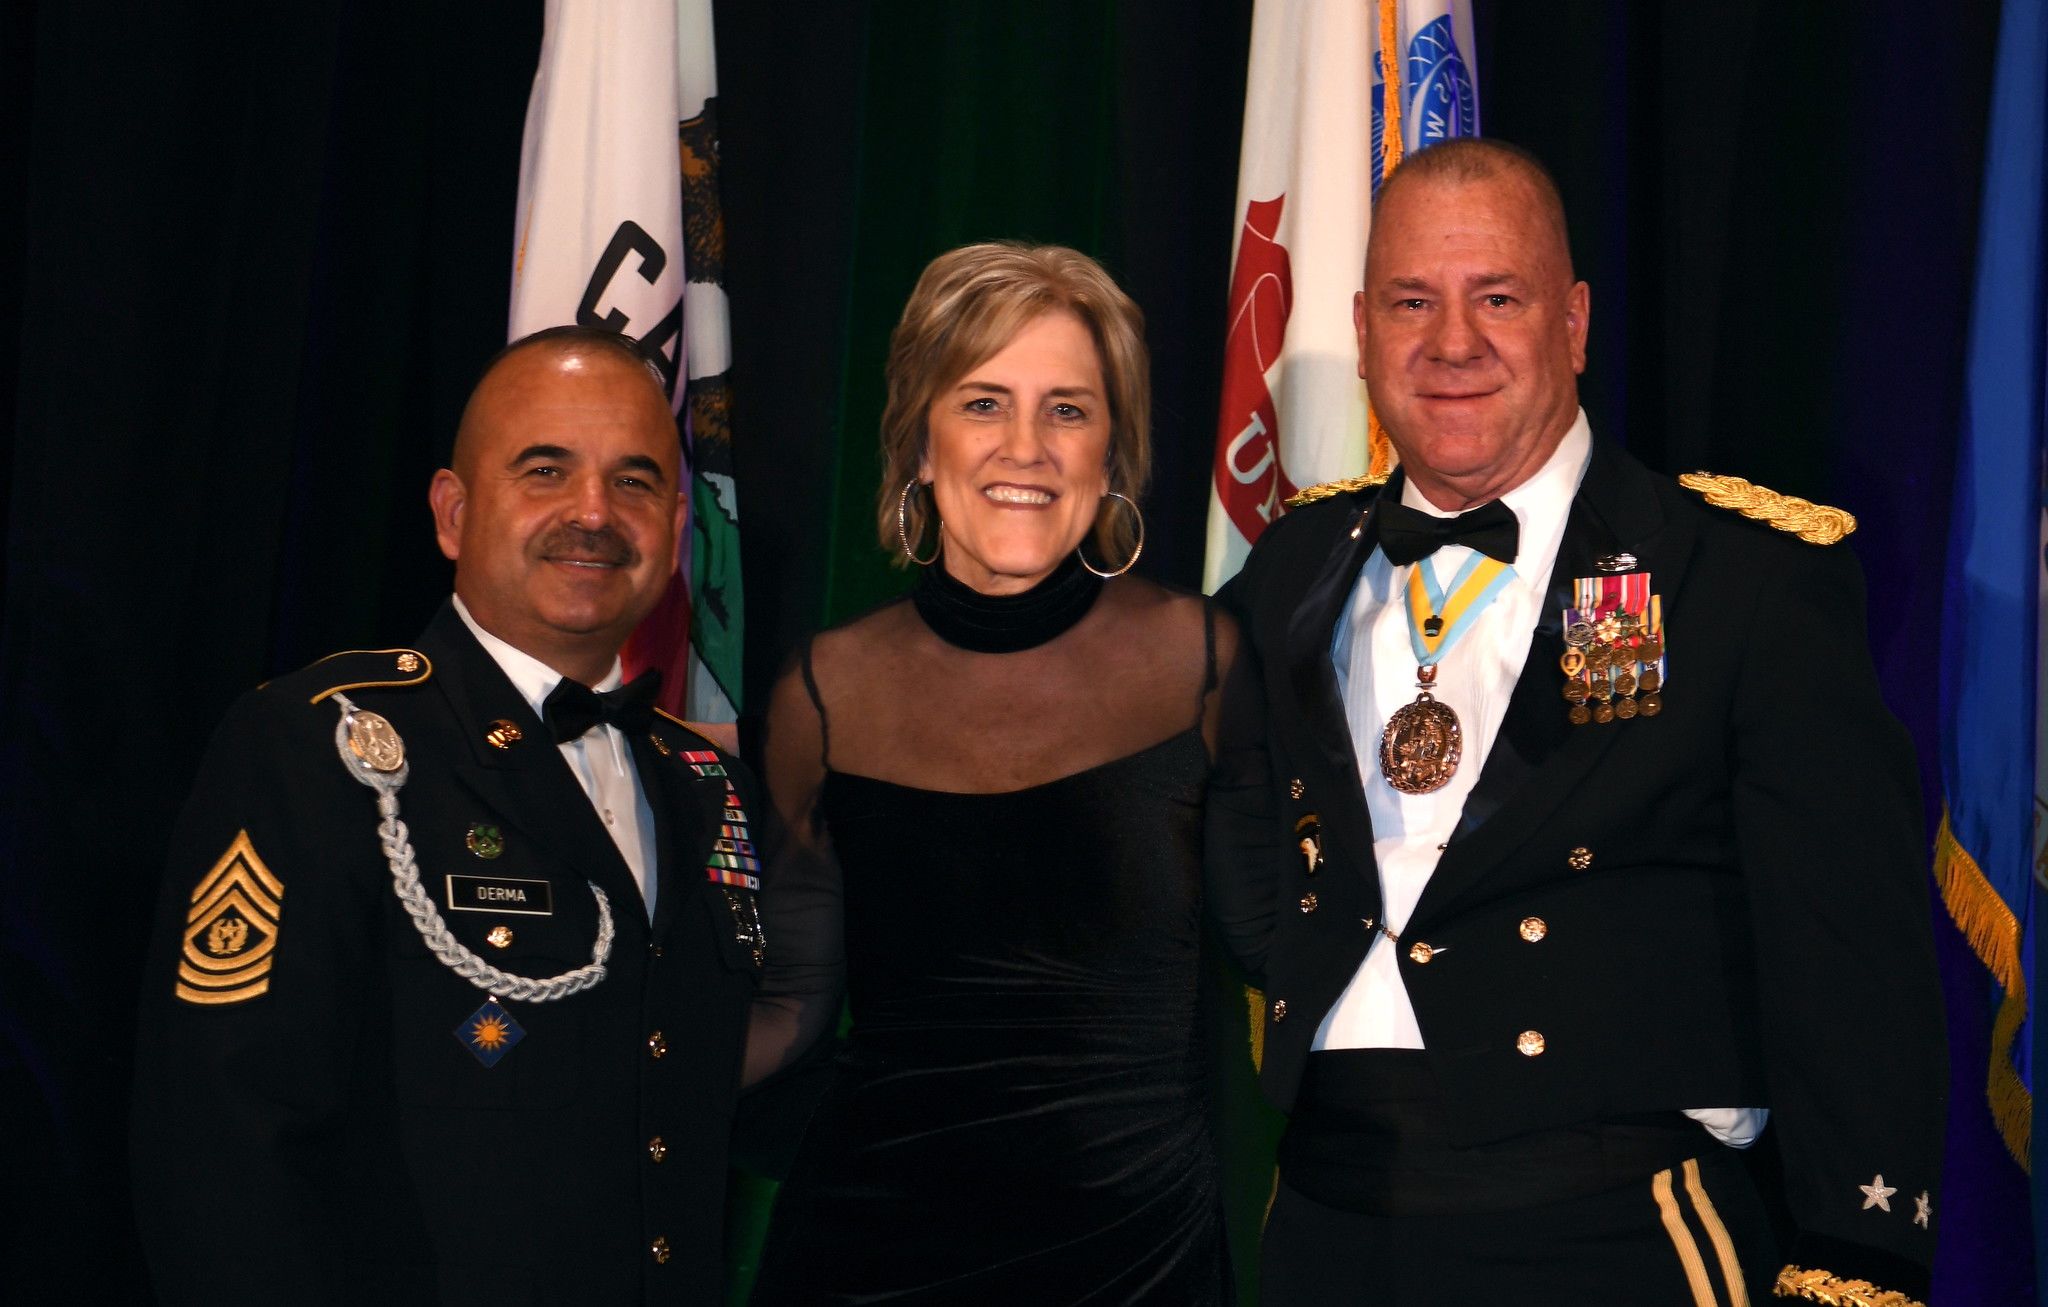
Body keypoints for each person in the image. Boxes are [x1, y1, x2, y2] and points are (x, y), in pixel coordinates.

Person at [1206, 139, 1944, 1306]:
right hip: (1325, 1220)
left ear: (1574, 322)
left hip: (1612, 1228)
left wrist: (1857, 1256)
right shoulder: (1290, 565)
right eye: (1411, 301)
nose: (1451, 342)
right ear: (1358, 329)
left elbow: (1851, 951)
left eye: (1496, 297)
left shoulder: (1736, 580)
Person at [131, 326, 766, 1304]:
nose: (593, 513)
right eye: (545, 470)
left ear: (678, 528)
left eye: (634, 481)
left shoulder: (697, 778)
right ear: (454, 513)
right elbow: (222, 1141)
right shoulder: (321, 745)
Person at [744, 242, 1233, 1304]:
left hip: (1133, 1263)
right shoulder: (820, 691)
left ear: (1113, 451)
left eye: (1067, 409)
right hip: (865, 1250)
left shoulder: (1201, 664)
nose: (1026, 447)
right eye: (981, 403)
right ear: (921, 440)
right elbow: (789, 1002)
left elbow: (1293, 951)